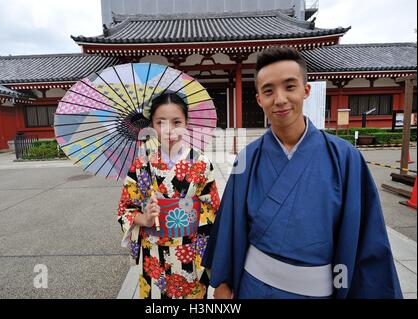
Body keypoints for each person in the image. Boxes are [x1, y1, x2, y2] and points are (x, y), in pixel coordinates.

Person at [202, 47, 402, 299]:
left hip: (317, 291)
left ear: (305, 90)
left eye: (289, 86)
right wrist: (223, 282)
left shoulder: (345, 158)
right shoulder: (248, 158)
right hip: (255, 288)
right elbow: (230, 226)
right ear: (259, 100)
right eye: (268, 91)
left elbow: (366, 236)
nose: (280, 99)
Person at [117, 93, 220, 299]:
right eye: (160, 122)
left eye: (176, 122)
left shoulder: (200, 163)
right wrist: (144, 218)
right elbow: (125, 209)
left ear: (186, 123)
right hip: (153, 253)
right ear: (152, 125)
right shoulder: (140, 164)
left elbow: (213, 209)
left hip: (189, 252)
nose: (169, 130)